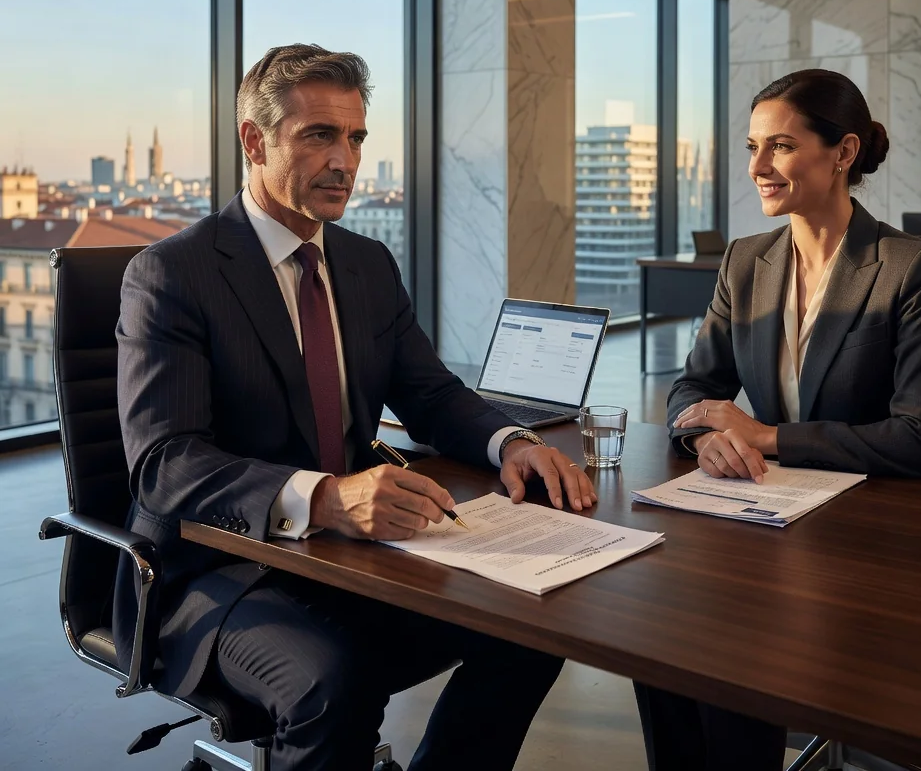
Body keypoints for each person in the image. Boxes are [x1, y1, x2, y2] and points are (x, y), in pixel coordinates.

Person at [114, 43, 598, 771]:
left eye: (355, 137)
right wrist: (328, 498)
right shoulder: (173, 274)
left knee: (530, 627)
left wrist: (511, 444)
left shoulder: (366, 264)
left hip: (353, 557)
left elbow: (430, 394)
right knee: (333, 680)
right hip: (216, 572)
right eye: (319, 135)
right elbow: (164, 464)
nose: (345, 160)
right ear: (255, 140)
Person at [634, 68, 921, 770]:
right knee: (659, 641)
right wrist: (708, 434)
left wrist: (768, 435)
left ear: (843, 153)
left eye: (779, 147)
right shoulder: (747, 261)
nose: (757, 168)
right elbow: (694, 384)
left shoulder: (910, 268)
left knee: (733, 666)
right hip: (765, 527)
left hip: (871, 545)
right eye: (753, 147)